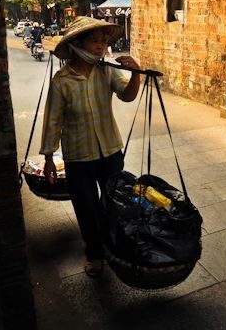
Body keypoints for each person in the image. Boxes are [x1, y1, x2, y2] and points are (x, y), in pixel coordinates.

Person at [39, 16, 142, 277]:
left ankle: (114, 246)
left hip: (109, 150)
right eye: (94, 41)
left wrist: (136, 74)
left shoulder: (106, 71)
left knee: (112, 202)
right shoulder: (62, 81)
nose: (99, 46)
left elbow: (127, 96)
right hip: (78, 155)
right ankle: (94, 254)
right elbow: (53, 121)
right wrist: (49, 158)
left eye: (102, 41)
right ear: (78, 44)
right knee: (86, 206)